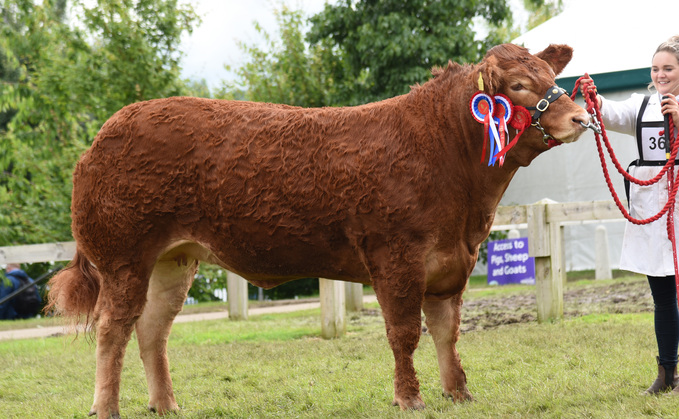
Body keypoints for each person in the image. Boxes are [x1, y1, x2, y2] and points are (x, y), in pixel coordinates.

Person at [581, 35, 679, 395]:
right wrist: (595, 97)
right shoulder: (643, 106)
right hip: (654, 209)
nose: (661, 74)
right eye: (656, 69)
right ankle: (667, 372)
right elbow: (612, 113)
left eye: (668, 68)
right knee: (663, 295)